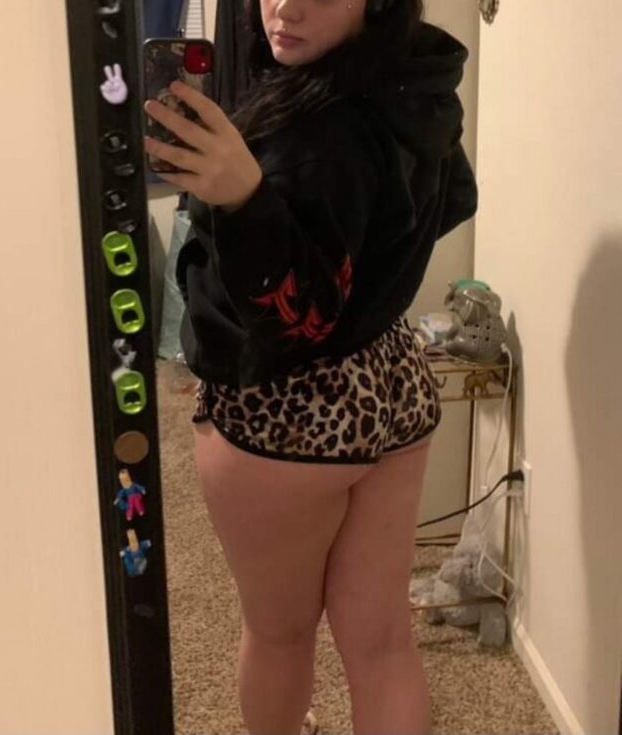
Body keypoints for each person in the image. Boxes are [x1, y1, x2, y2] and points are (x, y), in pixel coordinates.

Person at [143, 0, 477, 733]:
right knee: (382, 638)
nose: (285, 6)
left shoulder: (310, 133)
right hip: (390, 380)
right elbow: (455, 197)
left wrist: (245, 200)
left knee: (278, 631)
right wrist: (372, 268)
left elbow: (302, 319)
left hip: (287, 413)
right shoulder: (418, 71)